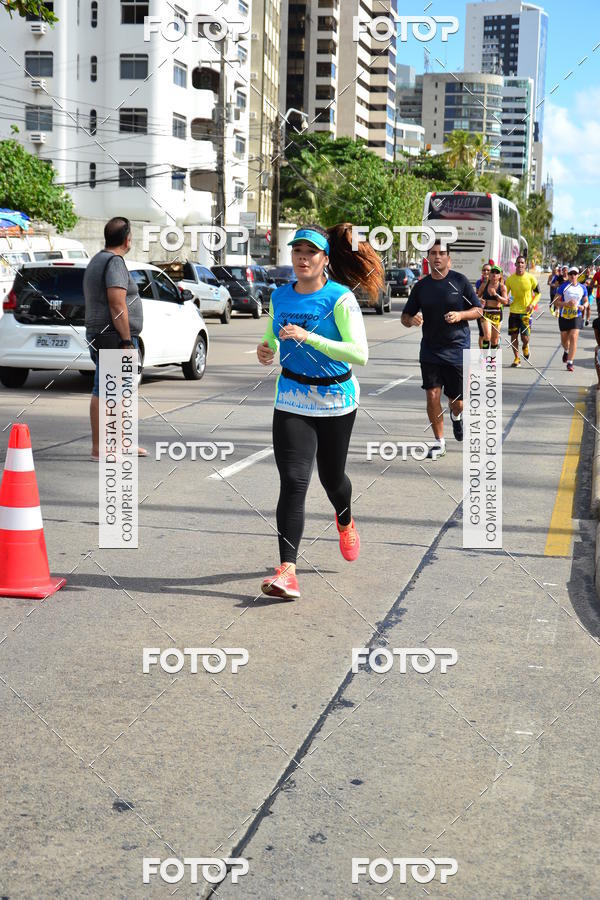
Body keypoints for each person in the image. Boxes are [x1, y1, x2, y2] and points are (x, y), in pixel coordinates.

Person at [256, 224, 378, 601]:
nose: (302, 258)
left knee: (332, 477)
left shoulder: (339, 299)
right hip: (291, 398)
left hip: (336, 400)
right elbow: (272, 335)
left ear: (325, 259)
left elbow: (360, 353)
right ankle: (287, 571)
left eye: (311, 252)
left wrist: (311, 338)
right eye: (297, 252)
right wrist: (265, 348)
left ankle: (345, 517)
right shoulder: (280, 296)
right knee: (294, 481)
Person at [401, 241, 483, 460]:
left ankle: (456, 416)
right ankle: (440, 442)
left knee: (457, 402)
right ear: (428, 258)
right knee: (432, 395)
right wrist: (412, 319)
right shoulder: (421, 287)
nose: (437, 257)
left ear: (449, 258)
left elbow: (478, 310)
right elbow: (405, 317)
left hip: (457, 348)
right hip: (430, 350)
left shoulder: (460, 281)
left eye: (442, 253)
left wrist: (461, 315)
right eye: (433, 253)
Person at [83, 217, 147, 460]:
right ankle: (101, 448)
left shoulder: (97, 259)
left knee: (123, 392)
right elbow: (117, 303)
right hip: (113, 337)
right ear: (127, 239)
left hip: (105, 334)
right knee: (105, 391)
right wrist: (126, 340)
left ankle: (123, 443)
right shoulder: (115, 263)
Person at [504, 255, 540, 367]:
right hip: (513, 312)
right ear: (515, 264)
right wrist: (507, 300)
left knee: (525, 338)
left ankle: (525, 346)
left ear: (525, 265)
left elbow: (538, 293)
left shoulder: (531, 278)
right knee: (513, 336)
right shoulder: (510, 279)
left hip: (526, 312)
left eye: (522, 263)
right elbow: (505, 294)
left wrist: (532, 304)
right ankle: (516, 358)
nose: (520, 264)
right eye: (518, 262)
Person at [554, 266, 589, 371]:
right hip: (564, 316)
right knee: (564, 340)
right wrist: (566, 304)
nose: (573, 276)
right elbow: (555, 302)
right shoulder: (563, 287)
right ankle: (566, 350)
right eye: (571, 274)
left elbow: (586, 301)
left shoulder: (582, 288)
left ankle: (570, 362)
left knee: (573, 336)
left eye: (575, 274)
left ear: (578, 275)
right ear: (568, 275)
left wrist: (584, 306)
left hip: (576, 315)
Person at [476, 264, 509, 354]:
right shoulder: (484, 285)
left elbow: (506, 302)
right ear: (490, 275)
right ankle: (485, 357)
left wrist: (496, 295)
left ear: (500, 275)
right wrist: (480, 300)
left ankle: (492, 360)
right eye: (493, 272)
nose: (494, 275)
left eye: (497, 273)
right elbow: (476, 298)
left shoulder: (502, 287)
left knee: (494, 340)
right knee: (487, 336)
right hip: (486, 313)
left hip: (497, 314)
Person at [475, 263, 492, 349]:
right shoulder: (479, 282)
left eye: (488, 270)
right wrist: (479, 300)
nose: (486, 272)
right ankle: (482, 355)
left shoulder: (496, 282)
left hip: (494, 311)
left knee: (491, 335)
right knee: (482, 334)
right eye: (484, 270)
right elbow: (477, 296)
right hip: (482, 311)